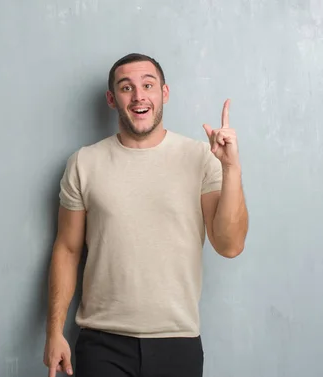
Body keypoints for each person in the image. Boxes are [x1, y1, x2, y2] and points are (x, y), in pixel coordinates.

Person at [42, 53, 249, 377]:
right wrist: (54, 332)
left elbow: (229, 245)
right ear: (112, 99)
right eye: (126, 88)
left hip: (177, 341)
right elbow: (67, 249)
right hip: (101, 342)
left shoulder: (201, 158)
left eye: (148, 85)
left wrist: (231, 168)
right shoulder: (84, 163)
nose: (139, 95)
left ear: (163, 93)